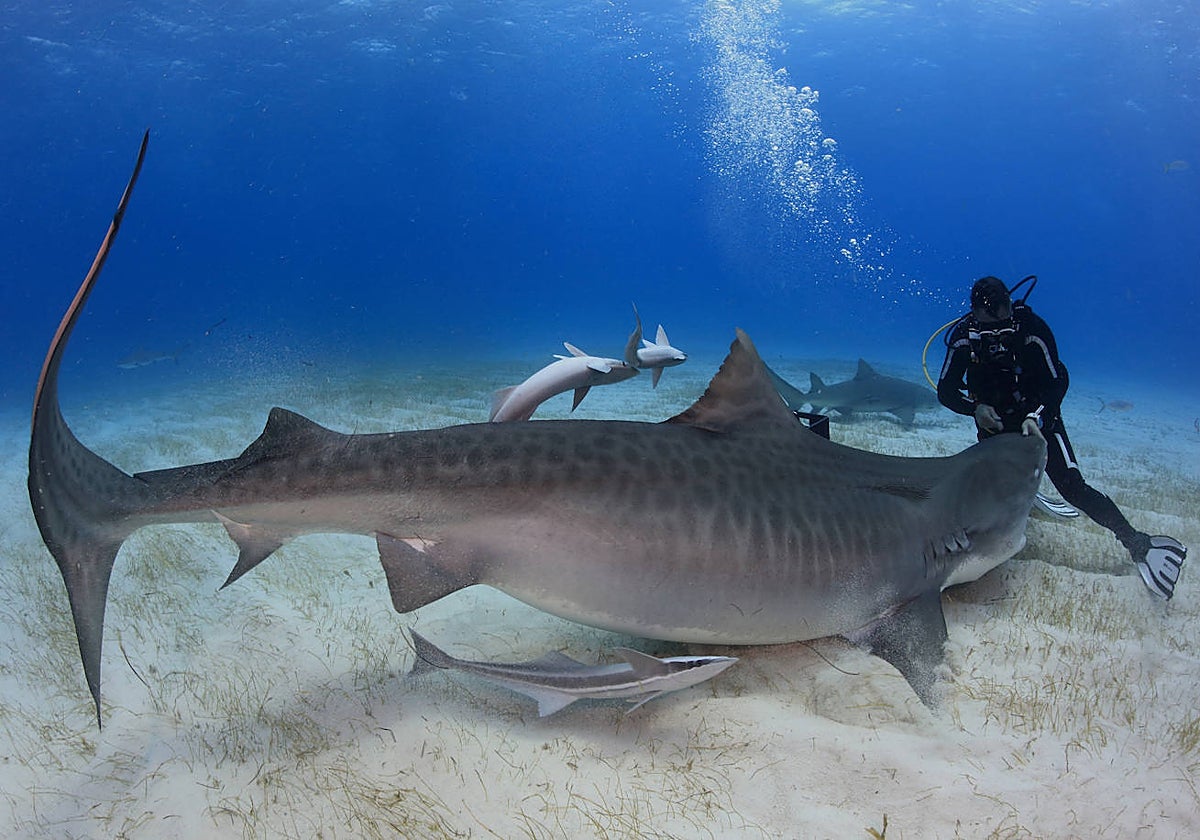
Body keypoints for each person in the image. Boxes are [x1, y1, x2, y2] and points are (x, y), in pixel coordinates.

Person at [937, 275, 1187, 600]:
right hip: (993, 426)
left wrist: (1037, 415)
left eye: (1004, 314)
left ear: (1011, 305)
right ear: (974, 314)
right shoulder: (963, 338)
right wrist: (975, 409)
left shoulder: (1031, 330)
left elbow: (1058, 381)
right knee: (990, 491)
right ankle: (988, 542)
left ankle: (1137, 542)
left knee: (1073, 488)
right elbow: (946, 391)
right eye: (990, 320)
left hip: (1040, 422)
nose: (999, 328)